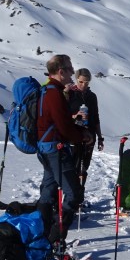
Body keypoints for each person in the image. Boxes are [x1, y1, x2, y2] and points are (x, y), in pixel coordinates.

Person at [36, 55, 93, 244]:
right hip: (55, 148)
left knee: (49, 189)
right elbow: (63, 126)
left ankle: (42, 234)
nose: (72, 73)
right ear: (60, 71)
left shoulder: (47, 90)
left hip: (46, 147)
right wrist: (81, 137)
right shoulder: (54, 93)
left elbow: (62, 121)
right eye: (69, 69)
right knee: (73, 193)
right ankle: (55, 239)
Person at [66, 68, 104, 184]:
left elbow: (96, 117)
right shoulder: (69, 94)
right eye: (81, 82)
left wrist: (100, 137)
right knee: (72, 166)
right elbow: (62, 115)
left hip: (90, 136)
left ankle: (80, 195)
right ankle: (71, 197)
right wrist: (74, 116)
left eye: (86, 83)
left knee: (84, 167)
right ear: (76, 79)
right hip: (74, 134)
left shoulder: (92, 96)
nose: (83, 85)